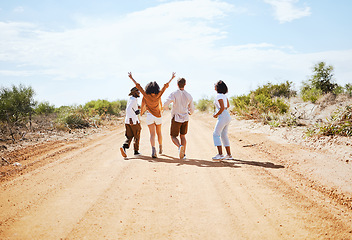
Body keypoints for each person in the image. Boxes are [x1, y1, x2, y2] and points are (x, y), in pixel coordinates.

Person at [128, 72, 176, 158]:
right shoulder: (158, 94)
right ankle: (160, 147)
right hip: (158, 116)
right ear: (156, 88)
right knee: (159, 133)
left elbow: (138, 86)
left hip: (150, 116)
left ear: (148, 88)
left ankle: (153, 149)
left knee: (152, 134)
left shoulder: (146, 95)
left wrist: (131, 78)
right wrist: (172, 78)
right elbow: (165, 86)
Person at [164, 78, 194, 159]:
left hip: (176, 118)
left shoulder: (174, 94)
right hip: (185, 118)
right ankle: (183, 154)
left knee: (173, 136)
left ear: (177, 84)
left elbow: (165, 103)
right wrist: (189, 113)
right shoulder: (189, 95)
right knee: (183, 136)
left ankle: (180, 146)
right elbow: (192, 109)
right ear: (185, 84)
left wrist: (167, 109)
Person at [212, 80, 234, 161]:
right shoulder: (224, 96)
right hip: (227, 115)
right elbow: (227, 105)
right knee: (224, 135)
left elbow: (221, 108)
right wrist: (221, 111)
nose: (214, 85)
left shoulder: (219, 96)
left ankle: (220, 154)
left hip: (223, 116)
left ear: (217, 87)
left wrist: (216, 114)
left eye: (215, 84)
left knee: (216, 134)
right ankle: (229, 155)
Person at [120, 87, 142, 158]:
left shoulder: (130, 99)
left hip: (127, 121)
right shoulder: (134, 99)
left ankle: (124, 147)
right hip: (133, 121)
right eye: (138, 91)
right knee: (137, 134)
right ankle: (136, 151)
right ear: (134, 92)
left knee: (129, 136)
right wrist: (131, 119)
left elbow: (133, 109)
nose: (139, 93)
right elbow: (129, 109)